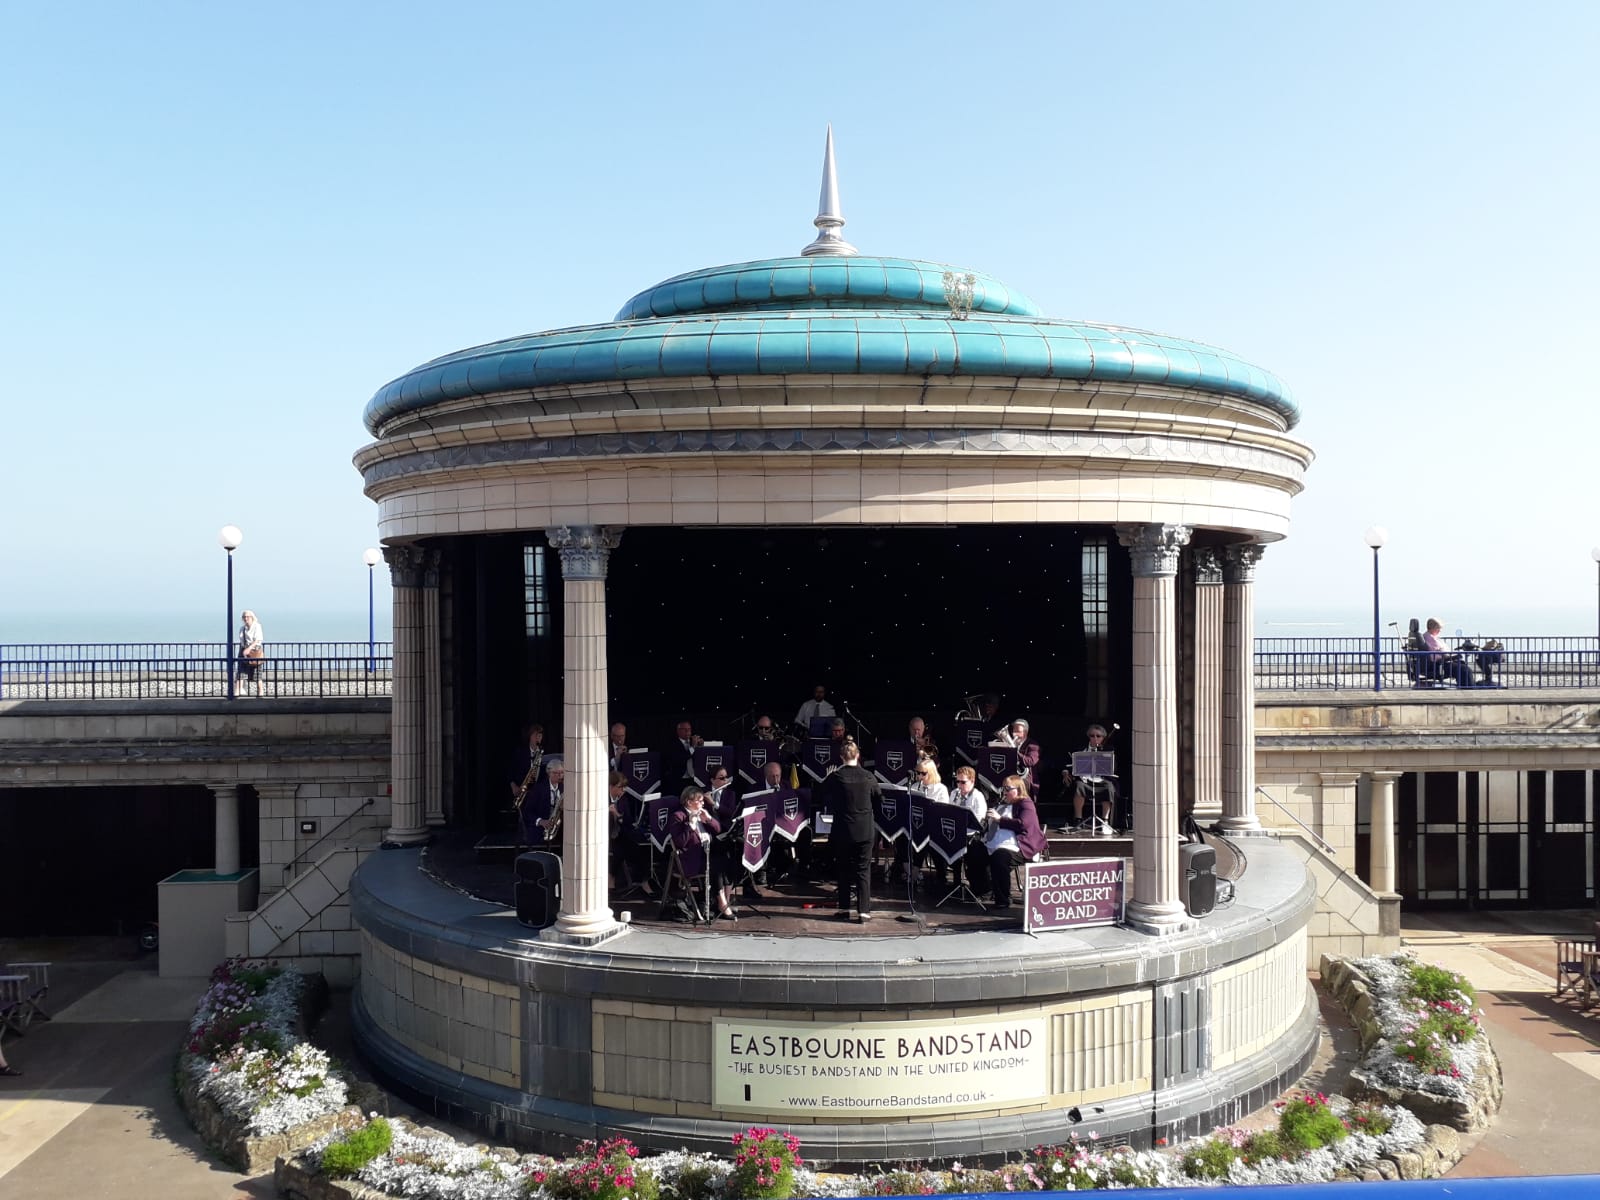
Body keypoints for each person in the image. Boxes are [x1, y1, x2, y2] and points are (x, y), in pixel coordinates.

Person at [820, 737, 880, 922]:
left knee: (844, 869)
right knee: (863, 870)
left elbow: (822, 795)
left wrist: (827, 777)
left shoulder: (836, 777)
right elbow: (878, 800)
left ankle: (845, 908)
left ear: (841, 757)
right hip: (864, 830)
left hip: (843, 830)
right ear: (858, 755)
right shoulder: (869, 777)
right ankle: (863, 912)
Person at [671, 787, 735, 918]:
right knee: (716, 865)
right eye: (700, 801)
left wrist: (709, 819)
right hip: (692, 858)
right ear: (689, 802)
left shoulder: (702, 813)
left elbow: (718, 830)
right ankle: (722, 903)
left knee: (730, 859)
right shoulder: (678, 816)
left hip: (708, 852)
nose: (703, 803)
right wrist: (691, 825)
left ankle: (724, 900)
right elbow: (680, 843)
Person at [984, 774, 1045, 909]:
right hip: (1003, 842)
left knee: (999, 858)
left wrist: (1000, 819)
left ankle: (1003, 899)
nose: (1004, 792)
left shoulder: (1025, 803)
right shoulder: (1004, 803)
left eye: (1008, 788)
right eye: (1003, 788)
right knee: (976, 851)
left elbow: (1023, 824)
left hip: (1023, 845)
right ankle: (983, 891)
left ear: (1018, 789)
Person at [943, 765, 990, 893]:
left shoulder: (978, 797)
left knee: (974, 853)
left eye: (963, 782)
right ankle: (949, 882)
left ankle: (978, 888)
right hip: (956, 832)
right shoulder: (954, 793)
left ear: (972, 781)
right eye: (957, 781)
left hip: (972, 835)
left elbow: (978, 822)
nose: (959, 785)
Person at [1065, 724, 1117, 830]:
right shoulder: (1081, 748)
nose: (1095, 738)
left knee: (1109, 787)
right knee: (1079, 786)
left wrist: (1102, 752)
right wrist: (1065, 772)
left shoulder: (1108, 749)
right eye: (1092, 736)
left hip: (1101, 780)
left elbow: (1113, 767)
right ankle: (1078, 819)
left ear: (1103, 738)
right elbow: (1069, 764)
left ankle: (1105, 821)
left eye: (1098, 736)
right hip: (1085, 780)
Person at [518, 756, 564, 847]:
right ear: (549, 773)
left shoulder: (564, 787)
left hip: (559, 826)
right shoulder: (538, 789)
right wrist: (541, 821)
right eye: (556, 773)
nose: (559, 776)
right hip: (541, 827)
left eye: (562, 773)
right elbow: (527, 812)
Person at [1423, 619, 1475, 687]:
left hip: (1439, 662)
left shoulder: (1427, 636)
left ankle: (1466, 684)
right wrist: (1453, 656)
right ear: (1432, 627)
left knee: (1461, 665)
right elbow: (1441, 652)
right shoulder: (1431, 638)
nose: (1440, 630)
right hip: (1439, 664)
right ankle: (1468, 686)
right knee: (1465, 669)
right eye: (1438, 628)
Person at [236, 610, 265, 697]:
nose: (246, 619)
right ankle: (238, 690)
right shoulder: (242, 629)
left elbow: (258, 640)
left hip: (255, 651)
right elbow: (242, 641)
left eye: (247, 617)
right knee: (241, 671)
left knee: (257, 672)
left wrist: (249, 648)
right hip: (244, 650)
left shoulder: (257, 626)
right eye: (244, 617)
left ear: (252, 617)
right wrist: (244, 649)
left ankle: (260, 691)